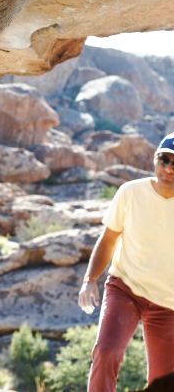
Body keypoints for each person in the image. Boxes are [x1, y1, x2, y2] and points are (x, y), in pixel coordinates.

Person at [78, 132, 174, 391]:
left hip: (168, 304)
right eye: (164, 159)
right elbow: (109, 239)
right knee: (107, 352)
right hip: (126, 289)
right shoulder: (130, 192)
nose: (168, 168)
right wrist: (90, 280)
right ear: (154, 160)